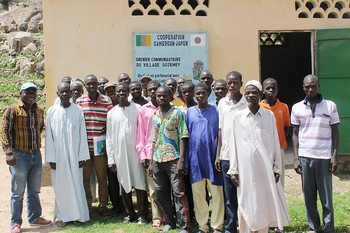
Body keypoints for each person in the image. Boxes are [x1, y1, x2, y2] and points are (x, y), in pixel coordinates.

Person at [228, 80, 290, 233]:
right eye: (248, 92)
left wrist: (276, 167)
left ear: (260, 94)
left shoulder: (268, 116)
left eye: (254, 92)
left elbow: (275, 141)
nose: (250, 95)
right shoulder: (238, 116)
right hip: (245, 169)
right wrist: (233, 169)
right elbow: (233, 144)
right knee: (246, 200)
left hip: (265, 168)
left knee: (263, 200)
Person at [291, 74, 340, 233]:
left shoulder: (330, 106)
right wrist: (296, 158)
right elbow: (295, 134)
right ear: (303, 87)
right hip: (305, 157)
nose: (310, 89)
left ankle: (328, 228)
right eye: (307, 86)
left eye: (313, 86)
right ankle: (314, 227)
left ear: (318, 86)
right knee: (309, 195)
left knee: (326, 196)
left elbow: (335, 131)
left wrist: (334, 156)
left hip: (324, 157)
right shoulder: (297, 107)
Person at [1, 82, 52, 233]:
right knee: (18, 192)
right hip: (19, 156)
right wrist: (9, 153)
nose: (31, 95)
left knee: (35, 190)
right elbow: (4, 132)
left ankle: (35, 217)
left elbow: (39, 129)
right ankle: (15, 222)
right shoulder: (12, 110)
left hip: (35, 154)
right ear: (20, 93)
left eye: (33, 92)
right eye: (28, 92)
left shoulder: (39, 110)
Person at [45, 82, 90, 227]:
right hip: (58, 158)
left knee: (77, 184)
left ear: (71, 94)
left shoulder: (78, 110)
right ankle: (63, 216)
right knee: (61, 186)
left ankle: (78, 215)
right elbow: (49, 137)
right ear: (57, 94)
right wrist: (51, 158)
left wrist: (82, 156)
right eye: (62, 92)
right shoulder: (51, 112)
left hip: (75, 156)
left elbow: (82, 134)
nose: (64, 94)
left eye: (67, 91)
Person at [106, 83, 148, 225]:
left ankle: (142, 215)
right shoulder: (111, 113)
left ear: (128, 92)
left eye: (124, 91)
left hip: (136, 154)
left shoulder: (138, 109)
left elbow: (144, 132)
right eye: (118, 91)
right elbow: (109, 137)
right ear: (115, 94)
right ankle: (130, 213)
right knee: (124, 184)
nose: (121, 93)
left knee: (140, 183)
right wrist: (111, 159)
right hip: (120, 154)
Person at [149, 86, 190, 233]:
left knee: (178, 193)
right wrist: (151, 161)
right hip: (157, 160)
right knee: (161, 192)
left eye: (164, 96)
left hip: (174, 159)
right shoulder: (155, 115)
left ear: (170, 96)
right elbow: (154, 140)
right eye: (158, 96)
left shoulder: (177, 113)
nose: (160, 98)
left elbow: (183, 136)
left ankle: (184, 226)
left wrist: (182, 160)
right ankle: (169, 222)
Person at [185, 83, 224, 233]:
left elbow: (221, 134)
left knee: (217, 195)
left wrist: (219, 156)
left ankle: (217, 226)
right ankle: (203, 226)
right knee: (199, 195)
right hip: (195, 160)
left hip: (213, 159)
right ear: (194, 95)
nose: (200, 96)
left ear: (209, 93)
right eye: (197, 93)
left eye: (203, 93)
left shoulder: (217, 111)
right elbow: (186, 136)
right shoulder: (189, 113)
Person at [76, 74, 113, 217]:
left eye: (93, 83)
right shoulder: (79, 102)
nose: (91, 86)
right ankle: (88, 206)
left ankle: (103, 206)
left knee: (102, 178)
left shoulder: (106, 101)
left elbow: (109, 123)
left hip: (100, 148)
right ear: (85, 86)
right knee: (85, 179)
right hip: (85, 148)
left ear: (98, 84)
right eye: (88, 84)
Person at [215, 71, 247, 233]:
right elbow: (220, 130)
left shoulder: (247, 102)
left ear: (241, 83)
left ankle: (245, 225)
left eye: (235, 82)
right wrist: (218, 155)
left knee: (244, 193)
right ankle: (231, 227)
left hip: (243, 157)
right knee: (229, 197)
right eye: (229, 83)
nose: (232, 86)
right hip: (226, 156)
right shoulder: (222, 103)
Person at [136, 80, 163, 229]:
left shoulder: (171, 108)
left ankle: (168, 215)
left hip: (167, 154)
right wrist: (143, 155)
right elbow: (141, 134)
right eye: (150, 90)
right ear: (147, 92)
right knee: (153, 190)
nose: (153, 92)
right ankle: (157, 218)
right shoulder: (144, 110)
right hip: (149, 155)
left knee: (167, 189)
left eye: (156, 89)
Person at [260, 78, 290, 188]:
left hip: (279, 148)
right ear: (263, 91)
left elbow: (286, 127)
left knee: (279, 179)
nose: (271, 90)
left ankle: (280, 203)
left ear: (277, 90)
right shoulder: (259, 107)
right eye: (268, 88)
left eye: (273, 88)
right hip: (263, 148)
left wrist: (279, 141)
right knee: (264, 178)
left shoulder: (283, 107)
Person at [103, 81, 125, 215]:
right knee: (112, 179)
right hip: (108, 148)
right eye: (108, 91)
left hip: (124, 149)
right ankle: (116, 205)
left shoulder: (126, 106)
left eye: (113, 91)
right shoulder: (106, 107)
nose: (111, 93)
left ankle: (125, 205)